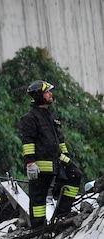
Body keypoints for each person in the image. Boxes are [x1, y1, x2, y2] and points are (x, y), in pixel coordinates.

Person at [20, 80, 82, 229]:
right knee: (38, 198)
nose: (50, 94)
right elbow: (27, 142)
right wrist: (30, 163)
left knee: (75, 174)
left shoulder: (52, 115)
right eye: (47, 92)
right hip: (40, 165)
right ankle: (38, 228)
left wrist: (66, 156)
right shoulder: (30, 118)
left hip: (58, 160)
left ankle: (62, 213)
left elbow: (60, 139)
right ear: (39, 96)